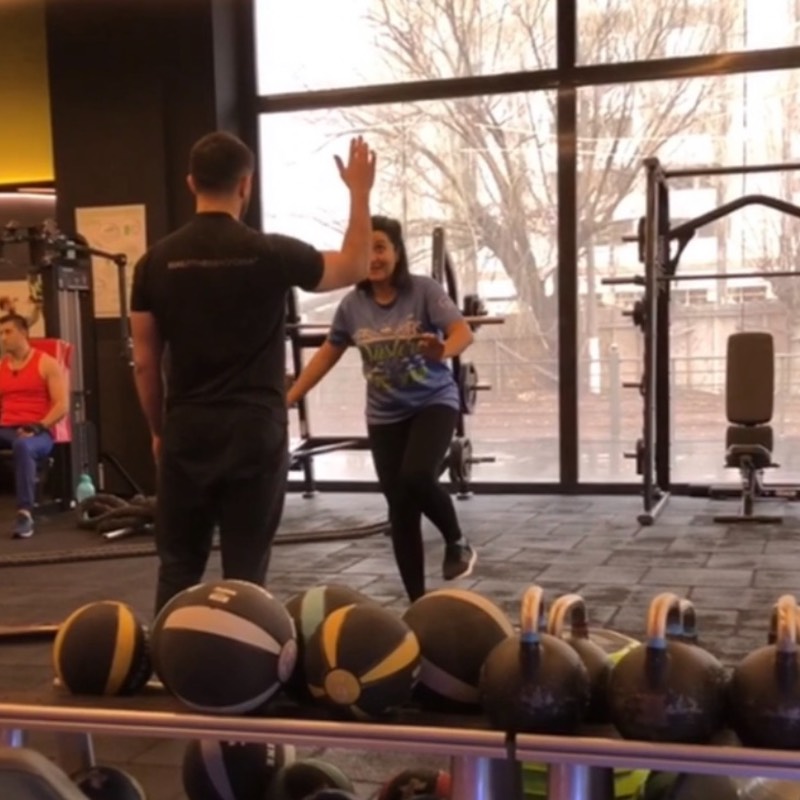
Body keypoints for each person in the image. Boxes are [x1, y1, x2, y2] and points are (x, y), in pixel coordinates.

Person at [129, 130, 376, 614]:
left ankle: (169, 656)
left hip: (188, 429)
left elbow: (144, 361)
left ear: (191, 182)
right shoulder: (272, 253)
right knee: (245, 571)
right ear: (247, 184)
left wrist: (159, 431)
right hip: (255, 430)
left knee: (178, 566)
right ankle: (242, 659)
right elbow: (355, 265)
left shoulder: (153, 262)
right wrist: (360, 192)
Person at [287, 215, 477, 602]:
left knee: (417, 475)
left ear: (397, 252)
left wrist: (444, 349)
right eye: (366, 250)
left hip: (433, 401)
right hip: (385, 415)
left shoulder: (423, 291)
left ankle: (457, 541)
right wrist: (288, 400)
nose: (374, 258)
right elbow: (326, 356)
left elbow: (462, 331)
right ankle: (417, 604)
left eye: (381, 248)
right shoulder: (351, 306)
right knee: (401, 511)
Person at [0, 313, 69, 539]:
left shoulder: (46, 363)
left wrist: (38, 426)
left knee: (22, 445)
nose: (3, 338)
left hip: (39, 432)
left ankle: (25, 514)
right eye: (1, 333)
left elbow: (62, 405)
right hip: (7, 429)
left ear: (23, 333)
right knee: (17, 441)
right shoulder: (2, 367)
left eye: (8, 332)